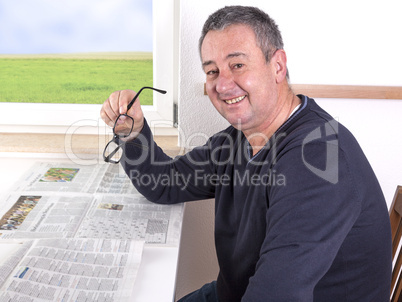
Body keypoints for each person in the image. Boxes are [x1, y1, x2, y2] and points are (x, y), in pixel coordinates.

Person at [100, 5, 392, 302]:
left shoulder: (319, 159)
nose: (222, 84)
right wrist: (132, 131)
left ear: (277, 66)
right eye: (212, 71)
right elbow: (163, 183)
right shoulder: (238, 140)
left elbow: (275, 295)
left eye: (237, 65)